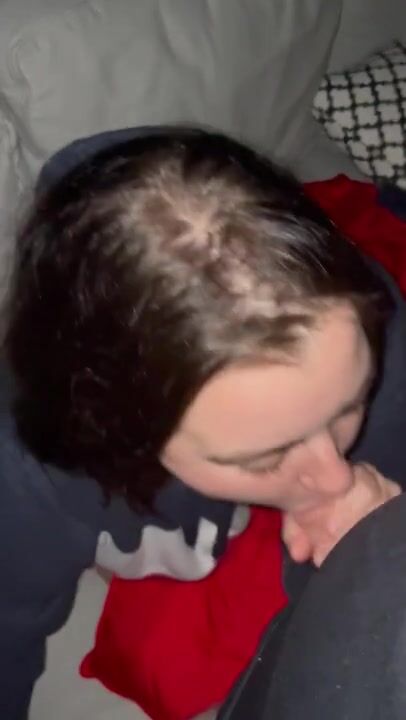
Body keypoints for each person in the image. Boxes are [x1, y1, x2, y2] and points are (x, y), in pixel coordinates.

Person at [1, 127, 406, 720]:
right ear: (117, 424)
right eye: (265, 456)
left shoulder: (358, 327)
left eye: (348, 405)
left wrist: (367, 554)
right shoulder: (25, 477)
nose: (335, 475)